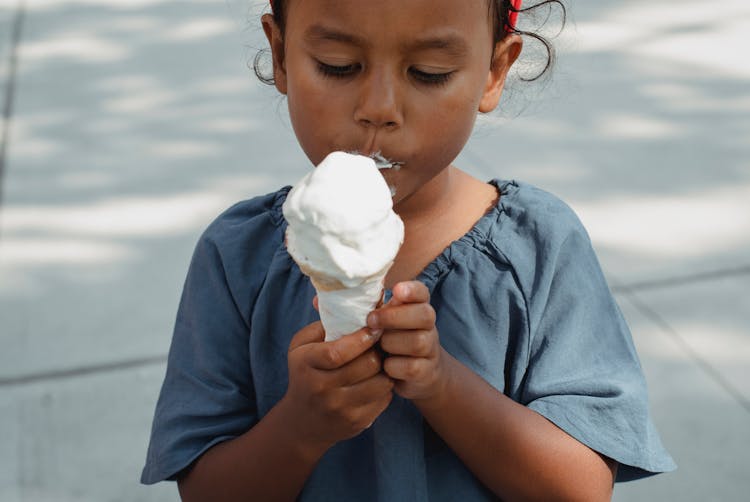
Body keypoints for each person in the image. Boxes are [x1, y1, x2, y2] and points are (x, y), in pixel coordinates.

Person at [141, 0, 676, 500]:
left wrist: (441, 383)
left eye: (429, 73)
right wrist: (302, 427)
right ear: (281, 55)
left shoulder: (538, 247)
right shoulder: (237, 258)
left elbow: (581, 487)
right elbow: (205, 490)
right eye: (338, 65)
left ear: (494, 71)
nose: (379, 109)